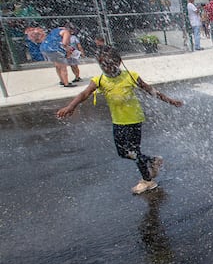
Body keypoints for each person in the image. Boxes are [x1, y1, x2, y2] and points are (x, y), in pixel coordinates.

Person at [55, 46, 183, 194]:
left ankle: (148, 181)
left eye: (110, 64)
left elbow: (151, 91)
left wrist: (171, 101)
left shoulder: (130, 76)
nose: (107, 68)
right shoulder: (100, 80)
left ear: (119, 62)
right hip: (118, 121)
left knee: (134, 151)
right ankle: (152, 160)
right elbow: (84, 94)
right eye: (103, 65)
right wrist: (71, 106)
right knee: (123, 152)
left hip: (134, 120)